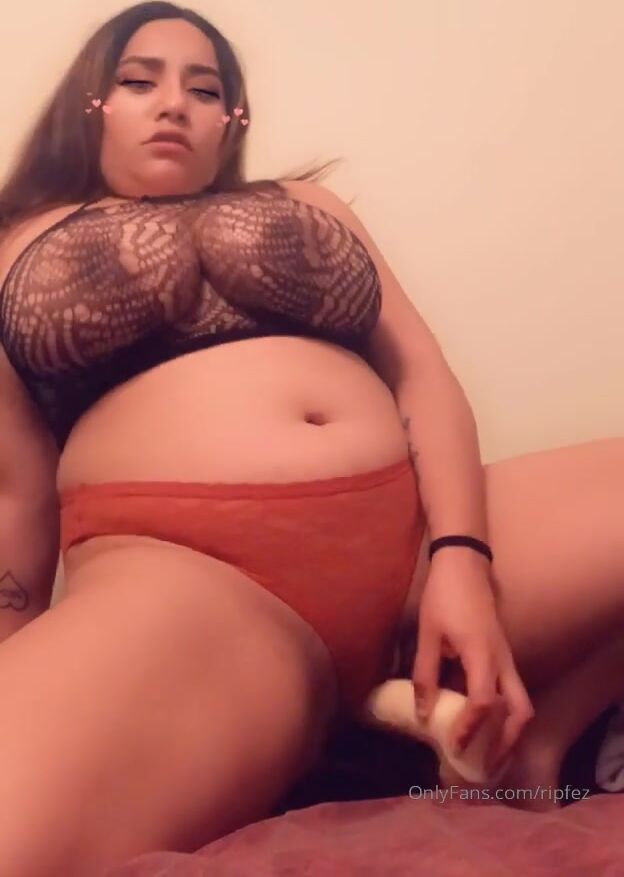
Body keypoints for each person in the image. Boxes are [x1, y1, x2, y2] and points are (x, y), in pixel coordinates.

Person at [0, 0, 621, 872]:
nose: (174, 103)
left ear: (232, 120)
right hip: (196, 579)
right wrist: (25, 658)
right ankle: (341, 718)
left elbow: (423, 378)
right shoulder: (19, 244)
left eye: (204, 89)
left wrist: (461, 558)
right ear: (92, 104)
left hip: (411, 544)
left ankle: (541, 746)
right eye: (140, 81)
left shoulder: (307, 204)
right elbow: (18, 488)